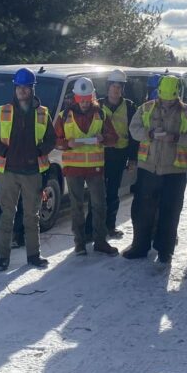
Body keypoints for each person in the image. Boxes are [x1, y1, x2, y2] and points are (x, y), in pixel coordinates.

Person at [0, 68, 57, 271]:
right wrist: (3, 151)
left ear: (32, 89)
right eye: (19, 87)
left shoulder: (43, 113)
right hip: (9, 171)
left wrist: (40, 150)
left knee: (31, 217)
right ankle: (2, 257)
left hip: (33, 172)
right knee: (7, 215)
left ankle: (34, 255)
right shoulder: (3, 112)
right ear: (15, 88)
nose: (22, 91)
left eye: (26, 88)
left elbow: (51, 139)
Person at [125, 75, 187, 265]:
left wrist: (175, 138)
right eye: (164, 98)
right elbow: (133, 129)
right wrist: (149, 134)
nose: (166, 102)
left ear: (177, 95)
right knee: (142, 211)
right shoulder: (146, 108)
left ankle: (165, 250)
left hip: (174, 172)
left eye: (170, 99)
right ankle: (140, 247)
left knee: (170, 211)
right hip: (148, 169)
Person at [54, 77, 120, 256]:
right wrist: (68, 144)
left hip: (95, 168)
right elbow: (54, 141)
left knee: (99, 205)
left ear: (92, 97)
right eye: (80, 99)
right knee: (77, 207)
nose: (83, 102)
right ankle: (80, 243)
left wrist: (103, 139)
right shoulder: (63, 116)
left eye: (87, 98)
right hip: (73, 169)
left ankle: (100, 241)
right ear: (75, 98)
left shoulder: (101, 114)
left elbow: (114, 138)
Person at [88, 69, 137, 239]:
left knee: (113, 191)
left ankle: (110, 226)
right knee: (95, 193)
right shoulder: (97, 105)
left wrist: (132, 158)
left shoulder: (130, 107)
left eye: (119, 87)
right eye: (113, 86)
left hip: (119, 154)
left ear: (123, 88)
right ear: (108, 87)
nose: (116, 90)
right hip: (100, 154)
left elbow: (133, 135)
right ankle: (91, 228)